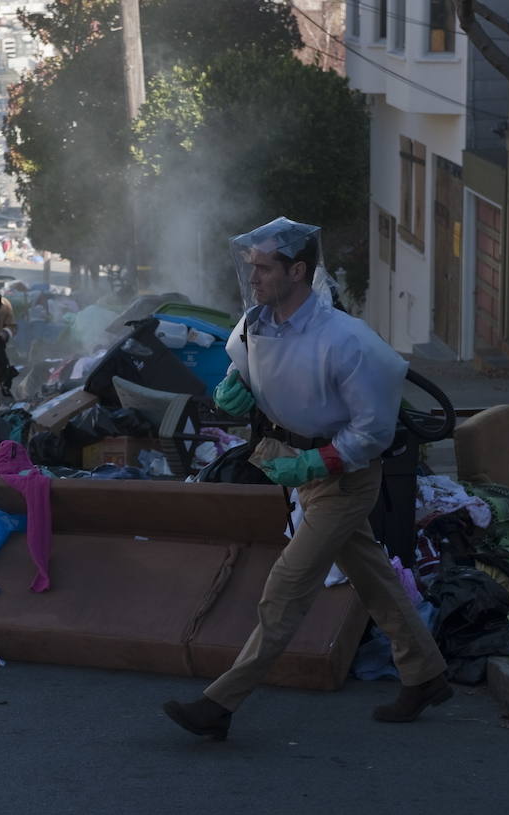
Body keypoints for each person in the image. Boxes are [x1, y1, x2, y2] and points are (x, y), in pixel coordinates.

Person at [163, 217, 450, 740]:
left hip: (345, 479)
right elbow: (247, 371)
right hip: (298, 469)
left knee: (285, 589)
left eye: (265, 268)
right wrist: (236, 389)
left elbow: (375, 429)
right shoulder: (257, 325)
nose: (254, 279)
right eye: (251, 267)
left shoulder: (346, 341)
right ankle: (427, 674)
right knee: (374, 579)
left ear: (298, 270)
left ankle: (219, 705)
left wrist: (321, 463)